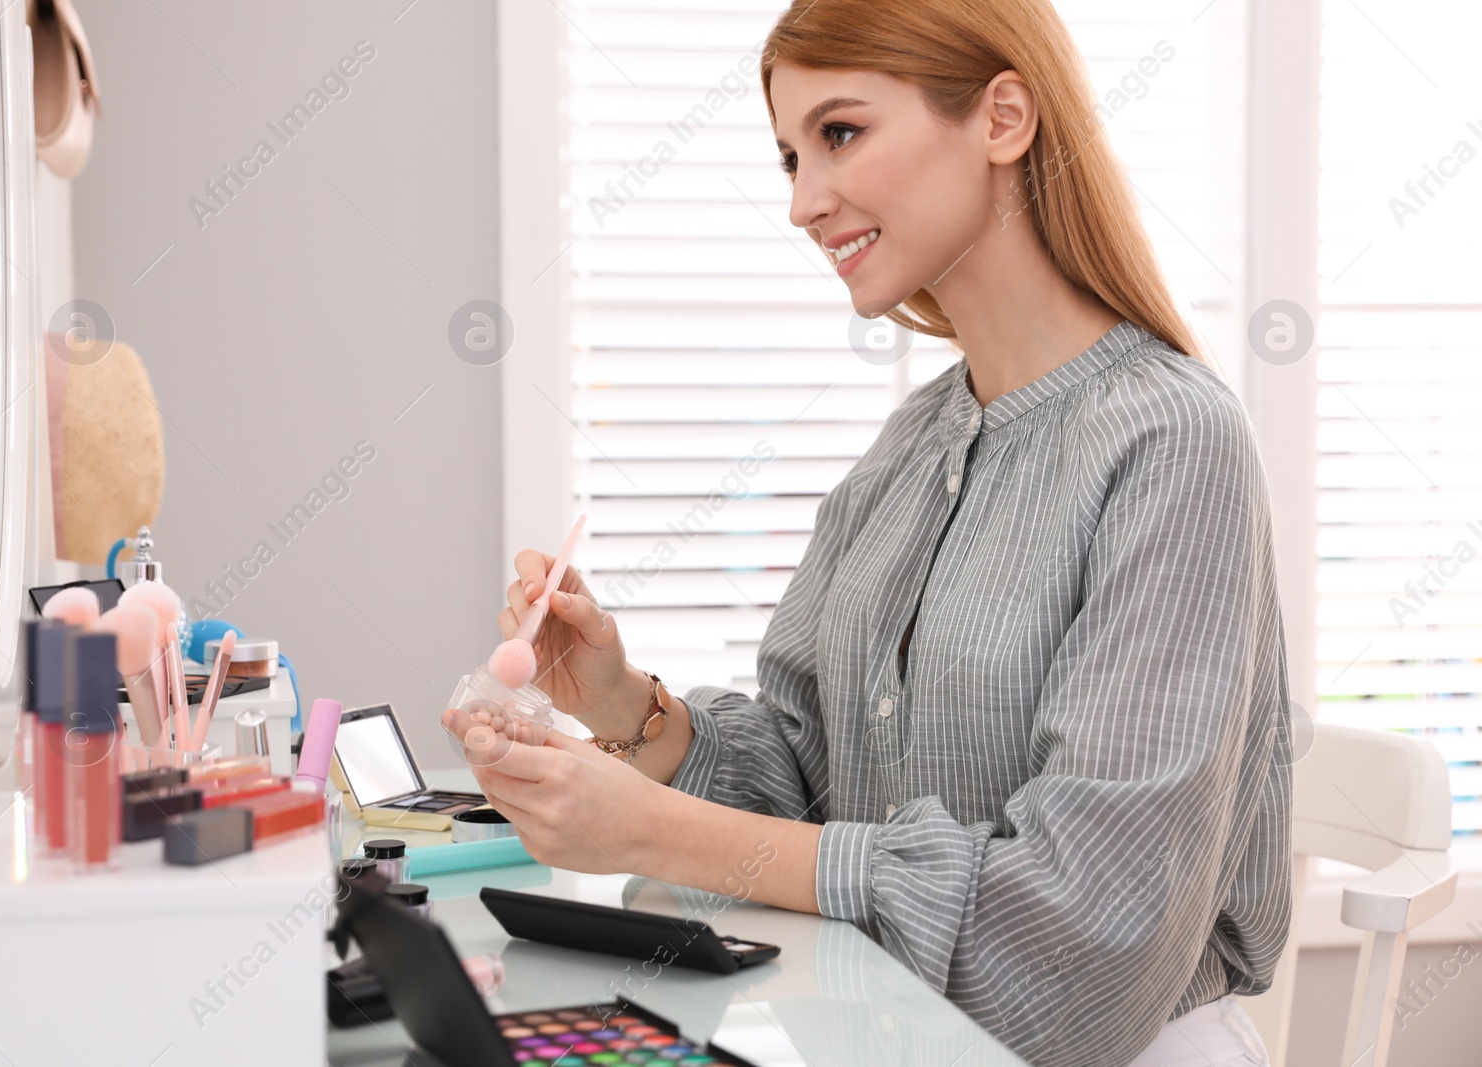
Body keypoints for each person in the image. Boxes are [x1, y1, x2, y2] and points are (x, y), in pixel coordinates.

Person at [442, 1, 1291, 1064]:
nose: (803, 201)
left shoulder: (1173, 443)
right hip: (873, 1028)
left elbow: (1085, 932)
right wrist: (623, 704)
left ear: (1003, 118)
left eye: (839, 135)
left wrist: (648, 827)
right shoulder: (909, 444)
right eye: (790, 156)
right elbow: (809, 787)